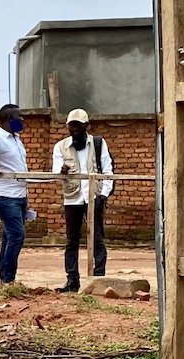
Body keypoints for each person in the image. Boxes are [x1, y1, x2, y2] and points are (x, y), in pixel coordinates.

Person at [51, 108, 114, 294]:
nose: (75, 129)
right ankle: (72, 281)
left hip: (94, 197)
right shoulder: (60, 146)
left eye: (78, 126)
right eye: (72, 126)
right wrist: (60, 170)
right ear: (68, 127)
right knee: (71, 241)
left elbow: (108, 170)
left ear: (87, 126)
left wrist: (104, 195)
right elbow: (55, 170)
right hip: (72, 199)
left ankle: (98, 279)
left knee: (97, 239)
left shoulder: (98, 144)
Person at [0, 104, 30, 287]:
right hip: (5, 196)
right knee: (17, 235)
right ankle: (9, 280)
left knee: (9, 237)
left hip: (20, 195)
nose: (23, 120)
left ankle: (4, 280)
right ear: (9, 119)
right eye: (20, 117)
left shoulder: (17, 140)